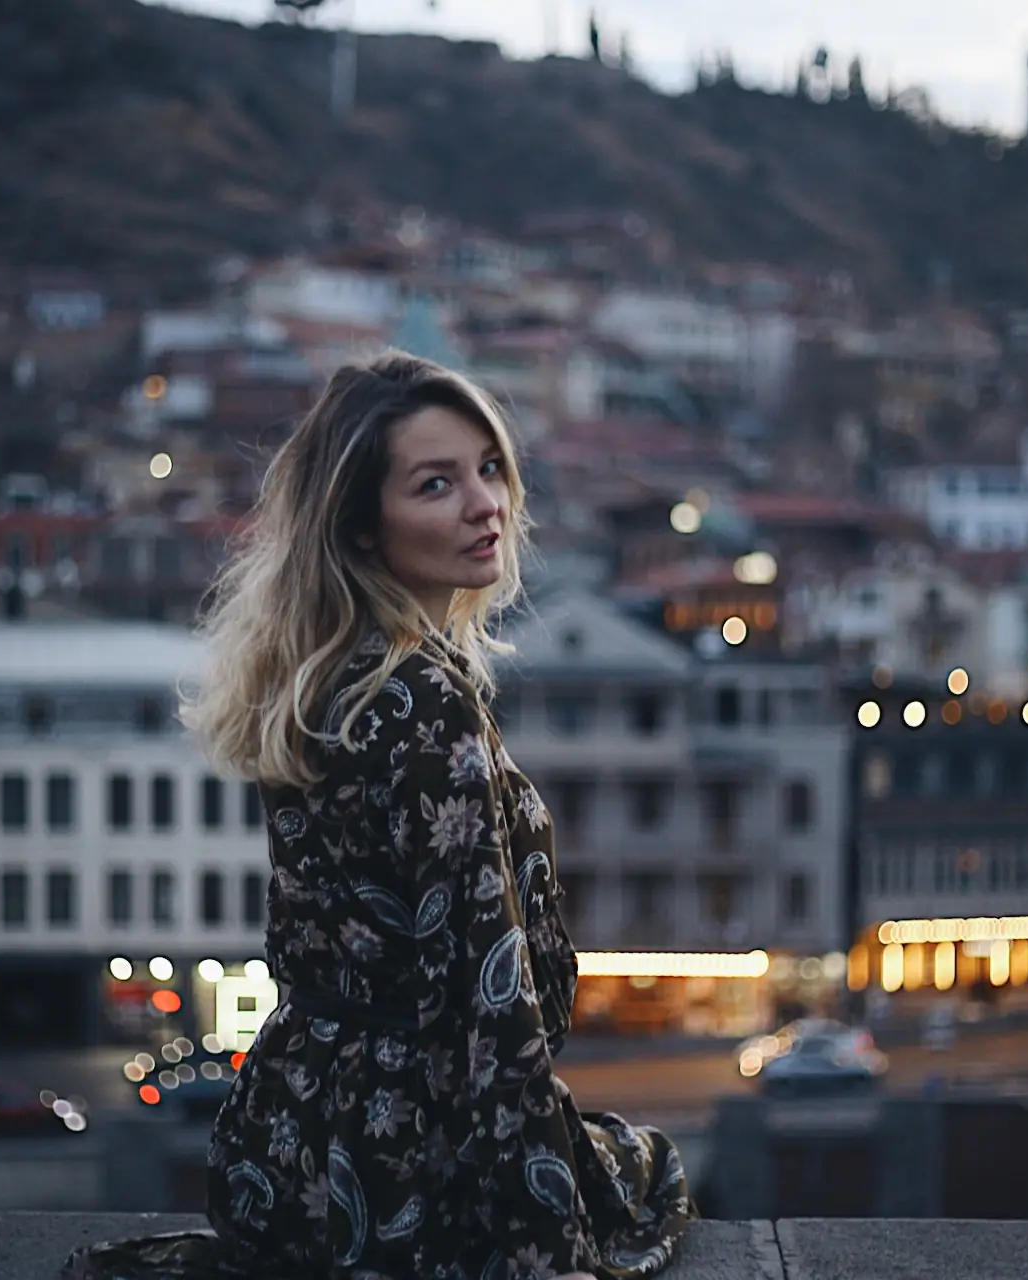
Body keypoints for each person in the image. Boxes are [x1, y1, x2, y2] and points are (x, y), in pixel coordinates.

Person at [66, 352, 693, 1280]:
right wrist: (542, 1247)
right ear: (363, 528)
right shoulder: (424, 703)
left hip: (282, 1142)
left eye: (489, 467)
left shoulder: (325, 677)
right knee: (652, 1176)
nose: (485, 503)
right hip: (398, 1159)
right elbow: (488, 1008)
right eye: (436, 483)